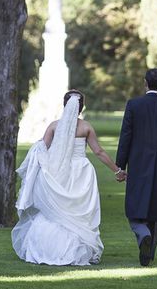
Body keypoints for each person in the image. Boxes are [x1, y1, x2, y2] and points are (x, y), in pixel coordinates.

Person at [11, 90, 124, 266]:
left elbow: (41, 149)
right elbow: (99, 152)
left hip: (58, 172)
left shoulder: (54, 126)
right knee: (76, 211)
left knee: (54, 210)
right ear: (82, 107)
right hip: (81, 173)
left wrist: (42, 170)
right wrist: (117, 171)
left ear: (64, 105)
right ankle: (75, 249)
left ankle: (46, 248)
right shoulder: (86, 127)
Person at [115, 68, 157, 266]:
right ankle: (147, 256)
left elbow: (125, 137)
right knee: (156, 209)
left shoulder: (133, 105)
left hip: (137, 162)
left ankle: (142, 233)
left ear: (145, 82)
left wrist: (120, 165)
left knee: (133, 206)